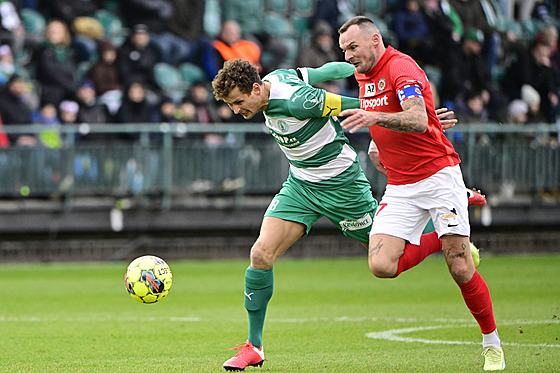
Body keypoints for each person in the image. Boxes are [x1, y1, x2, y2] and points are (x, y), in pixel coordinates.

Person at [212, 58, 485, 371]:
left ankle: (444, 229)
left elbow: (354, 107)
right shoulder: (280, 76)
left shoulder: (300, 102)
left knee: (389, 258)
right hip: (301, 185)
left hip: (344, 187)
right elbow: (327, 72)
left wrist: (413, 113)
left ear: (258, 88)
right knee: (260, 255)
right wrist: (358, 69)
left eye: (238, 102)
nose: (236, 110)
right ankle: (254, 347)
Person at [337, 16, 504, 371]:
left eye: (353, 47)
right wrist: (375, 144)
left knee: (459, 267)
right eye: (344, 50)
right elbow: (395, 115)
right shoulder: (363, 74)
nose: (349, 56)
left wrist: (377, 119)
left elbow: (413, 119)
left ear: (375, 40)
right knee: (381, 265)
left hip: (438, 176)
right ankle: (444, 230)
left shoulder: (401, 66)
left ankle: (492, 344)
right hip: (401, 184)